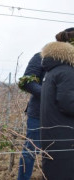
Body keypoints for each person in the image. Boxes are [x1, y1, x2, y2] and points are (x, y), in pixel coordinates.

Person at [40, 27, 74, 179]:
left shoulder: (53, 69)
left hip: (53, 136)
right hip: (65, 138)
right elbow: (68, 104)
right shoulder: (67, 71)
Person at [17, 52, 45, 180]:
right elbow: (27, 82)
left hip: (65, 114)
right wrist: (49, 93)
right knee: (31, 151)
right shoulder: (42, 57)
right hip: (38, 113)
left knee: (61, 151)